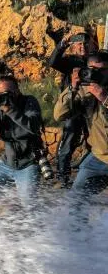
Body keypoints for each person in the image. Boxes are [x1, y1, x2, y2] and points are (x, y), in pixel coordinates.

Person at [53, 50, 108, 226]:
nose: (97, 74)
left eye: (102, 70)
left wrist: (104, 98)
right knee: (77, 199)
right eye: (92, 69)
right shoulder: (84, 90)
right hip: (98, 157)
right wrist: (73, 87)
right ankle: (80, 237)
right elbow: (59, 115)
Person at [0, 75, 46, 209]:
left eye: (9, 93)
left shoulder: (29, 102)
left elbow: (32, 126)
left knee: (29, 207)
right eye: (2, 93)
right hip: (7, 162)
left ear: (17, 91)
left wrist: (10, 110)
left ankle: (48, 223)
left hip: (28, 163)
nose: (5, 96)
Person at [48, 32, 95, 187]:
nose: (83, 47)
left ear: (92, 45)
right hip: (74, 108)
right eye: (79, 44)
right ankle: (63, 178)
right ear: (74, 47)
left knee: (96, 143)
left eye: (86, 43)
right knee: (67, 144)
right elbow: (52, 62)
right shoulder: (70, 61)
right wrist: (63, 43)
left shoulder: (97, 60)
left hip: (93, 108)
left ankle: (92, 175)